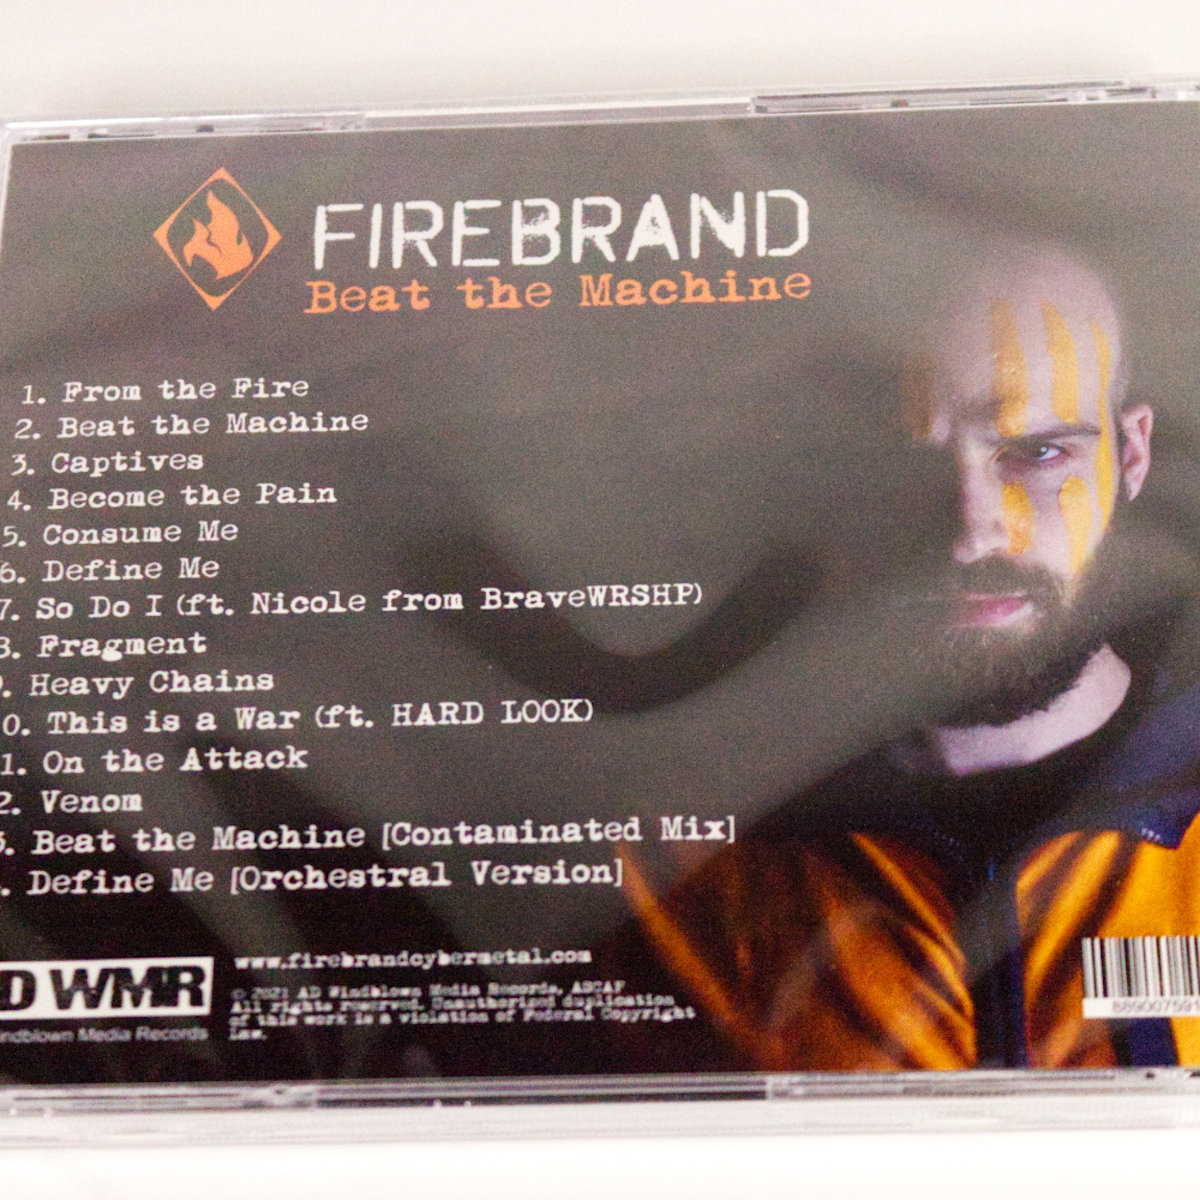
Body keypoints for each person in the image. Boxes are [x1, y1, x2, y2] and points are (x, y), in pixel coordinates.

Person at [617, 243, 1200, 1071]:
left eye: (1037, 453)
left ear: (1131, 456)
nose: (971, 534)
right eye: (899, 464)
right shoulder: (684, 863)